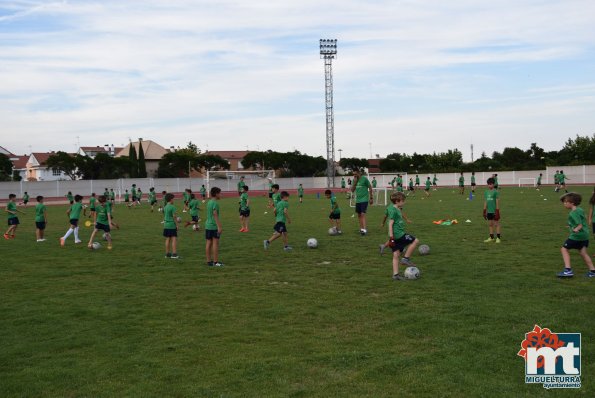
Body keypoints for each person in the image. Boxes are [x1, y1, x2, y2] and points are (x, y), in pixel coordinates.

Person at [557, 192, 594, 278]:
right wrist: (571, 225)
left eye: (566, 202)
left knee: (564, 249)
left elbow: (579, 225)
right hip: (585, 235)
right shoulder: (580, 209)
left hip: (577, 236)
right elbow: (582, 219)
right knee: (583, 252)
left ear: (572, 203)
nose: (564, 204)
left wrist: (576, 229)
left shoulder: (572, 213)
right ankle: (592, 271)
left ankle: (568, 270)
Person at [385, 192, 419, 281]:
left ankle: (395, 275)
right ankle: (405, 259)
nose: (404, 202)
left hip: (395, 235)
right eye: (402, 201)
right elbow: (390, 223)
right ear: (397, 201)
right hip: (398, 235)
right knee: (415, 241)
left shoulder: (397, 208)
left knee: (396, 254)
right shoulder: (393, 210)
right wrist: (391, 238)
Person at [351, 168, 373, 235]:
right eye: (353, 175)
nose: (354, 176)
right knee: (359, 214)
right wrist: (354, 183)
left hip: (364, 199)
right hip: (358, 200)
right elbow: (352, 190)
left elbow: (370, 187)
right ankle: (361, 228)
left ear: (359, 173)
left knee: (363, 214)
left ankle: (364, 229)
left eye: (355, 174)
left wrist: (371, 197)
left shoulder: (364, 179)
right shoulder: (354, 180)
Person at [205, 187, 223, 266]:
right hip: (213, 226)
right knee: (215, 243)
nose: (220, 195)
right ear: (216, 194)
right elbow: (215, 214)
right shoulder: (215, 203)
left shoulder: (209, 202)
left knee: (208, 243)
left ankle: (209, 261)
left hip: (207, 225)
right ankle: (216, 262)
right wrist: (219, 226)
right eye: (220, 193)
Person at [483, 177, 501, 243]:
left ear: (493, 184)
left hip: (494, 211)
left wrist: (497, 211)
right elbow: (485, 201)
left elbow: (497, 201)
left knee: (497, 224)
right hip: (489, 211)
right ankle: (491, 237)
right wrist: (484, 210)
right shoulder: (486, 192)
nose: (490, 185)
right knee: (490, 224)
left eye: (491, 184)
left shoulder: (495, 192)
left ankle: (498, 238)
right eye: (488, 184)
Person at [162, 193, 179, 259]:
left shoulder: (165, 207)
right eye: (173, 199)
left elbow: (165, 214)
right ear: (171, 199)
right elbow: (174, 217)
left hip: (166, 224)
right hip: (171, 225)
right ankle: (174, 254)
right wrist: (177, 225)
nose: (174, 200)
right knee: (174, 239)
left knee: (167, 239)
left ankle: (167, 254)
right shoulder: (172, 207)